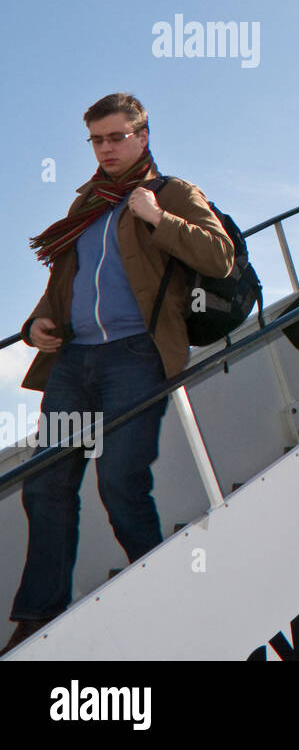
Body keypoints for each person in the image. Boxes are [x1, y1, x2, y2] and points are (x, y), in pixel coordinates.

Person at [5, 94, 234, 654]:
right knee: (47, 484)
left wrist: (158, 218)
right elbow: (64, 283)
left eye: (117, 137)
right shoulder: (86, 202)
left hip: (136, 356)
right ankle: (39, 614)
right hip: (74, 361)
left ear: (143, 136)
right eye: (97, 140)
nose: (106, 148)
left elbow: (220, 255)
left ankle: (160, 589)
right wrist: (37, 323)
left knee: (119, 481)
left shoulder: (172, 192)